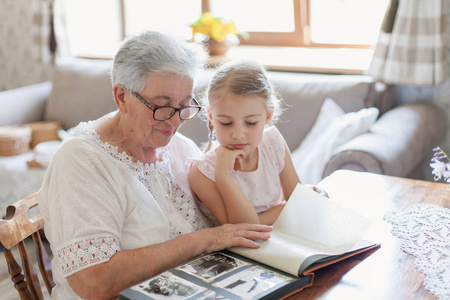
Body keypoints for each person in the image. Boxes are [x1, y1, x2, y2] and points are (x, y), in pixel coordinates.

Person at [38, 31, 272, 300]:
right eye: (163, 106)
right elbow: (94, 283)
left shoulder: (178, 146)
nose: (175, 122)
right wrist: (204, 240)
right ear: (122, 97)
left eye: (185, 104)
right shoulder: (82, 160)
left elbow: (228, 219)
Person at [188, 60, 326, 226]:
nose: (238, 135)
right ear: (211, 116)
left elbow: (298, 204)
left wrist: (308, 197)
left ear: (268, 116)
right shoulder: (202, 173)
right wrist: (223, 176)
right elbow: (244, 229)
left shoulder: (273, 142)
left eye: (251, 122)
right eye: (226, 123)